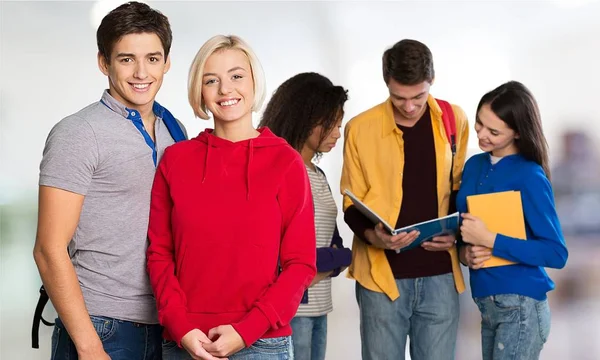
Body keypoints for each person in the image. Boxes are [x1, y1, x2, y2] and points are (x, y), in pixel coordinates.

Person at [147, 35, 317, 360]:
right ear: (200, 90)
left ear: (254, 82)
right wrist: (181, 327)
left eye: (237, 76)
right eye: (212, 80)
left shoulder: (285, 162)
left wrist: (247, 330)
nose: (226, 90)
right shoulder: (176, 160)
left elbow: (301, 264)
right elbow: (159, 254)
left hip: (262, 343)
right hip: (186, 342)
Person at [32, 2, 186, 359]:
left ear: (167, 62)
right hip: (103, 325)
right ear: (104, 63)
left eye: (152, 58)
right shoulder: (79, 133)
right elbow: (48, 249)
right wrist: (88, 347)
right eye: (126, 59)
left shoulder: (173, 128)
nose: (141, 72)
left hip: (167, 321)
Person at [340, 39, 469, 360]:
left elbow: (459, 188)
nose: (409, 106)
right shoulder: (360, 128)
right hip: (380, 278)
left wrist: (455, 233)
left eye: (418, 97)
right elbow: (350, 203)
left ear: (432, 81)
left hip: (440, 275)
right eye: (399, 97)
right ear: (386, 83)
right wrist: (374, 237)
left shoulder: (454, 119)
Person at [457, 80, 568, 360]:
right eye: (479, 123)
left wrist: (490, 240)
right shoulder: (473, 166)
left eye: (494, 131)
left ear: (517, 133)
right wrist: (465, 253)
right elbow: (463, 231)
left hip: (521, 306)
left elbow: (556, 253)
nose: (481, 135)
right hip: (486, 303)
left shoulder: (530, 176)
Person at [259, 72, 353, 360]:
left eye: (339, 123)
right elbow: (280, 256)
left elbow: (333, 247)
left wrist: (329, 260)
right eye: (331, 123)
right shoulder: (278, 170)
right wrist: (336, 259)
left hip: (318, 308)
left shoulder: (318, 175)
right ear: (305, 117)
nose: (338, 132)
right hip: (289, 310)